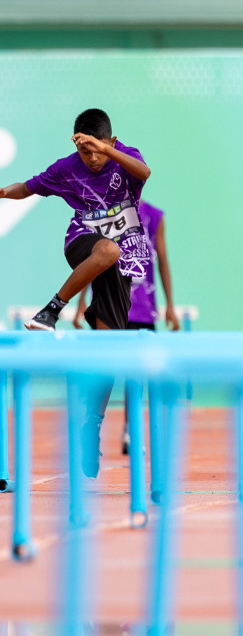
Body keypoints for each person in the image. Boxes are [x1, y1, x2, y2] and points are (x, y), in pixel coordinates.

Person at [1, 108, 153, 477]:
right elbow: (29, 187)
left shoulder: (125, 158)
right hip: (83, 244)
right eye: (86, 152)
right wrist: (3, 191)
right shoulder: (67, 168)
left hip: (119, 268)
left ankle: (92, 426)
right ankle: (50, 311)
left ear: (111, 142)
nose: (92, 158)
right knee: (107, 249)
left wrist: (105, 148)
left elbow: (145, 173)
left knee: (110, 351)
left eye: (98, 150)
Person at [71, 198, 180, 454]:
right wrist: (81, 300)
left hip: (142, 307)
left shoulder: (153, 215)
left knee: (136, 373)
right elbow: (94, 261)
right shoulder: (102, 212)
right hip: (109, 304)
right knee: (104, 370)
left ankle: (131, 430)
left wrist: (170, 305)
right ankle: (92, 428)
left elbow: (162, 259)